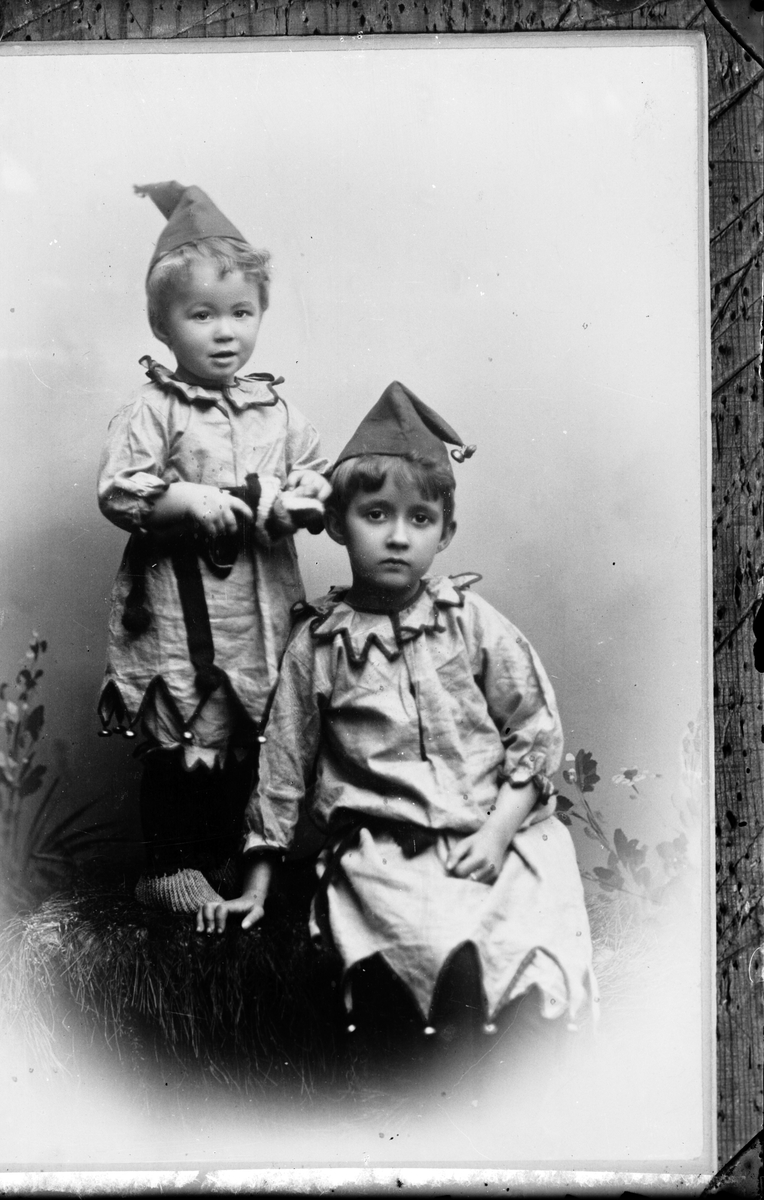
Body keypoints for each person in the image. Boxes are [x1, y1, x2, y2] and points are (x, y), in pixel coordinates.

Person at [198, 381, 597, 1092]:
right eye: (375, 514)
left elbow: (535, 727)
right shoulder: (318, 645)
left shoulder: (468, 621)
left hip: (494, 828)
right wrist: (256, 885)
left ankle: (516, 1074)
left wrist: (498, 832)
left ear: (446, 532)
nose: (398, 535)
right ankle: (422, 1074)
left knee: (524, 929)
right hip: (385, 845)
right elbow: (283, 767)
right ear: (337, 523)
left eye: (420, 518)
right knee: (409, 941)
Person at [97, 181, 329, 914]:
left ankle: (234, 861)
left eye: (241, 312)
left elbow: (316, 475)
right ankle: (170, 868)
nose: (225, 332)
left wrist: (308, 493)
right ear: (163, 325)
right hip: (179, 604)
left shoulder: (277, 411)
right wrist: (191, 499)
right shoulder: (154, 409)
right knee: (183, 724)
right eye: (202, 315)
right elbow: (120, 490)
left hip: (257, 605)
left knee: (250, 727)